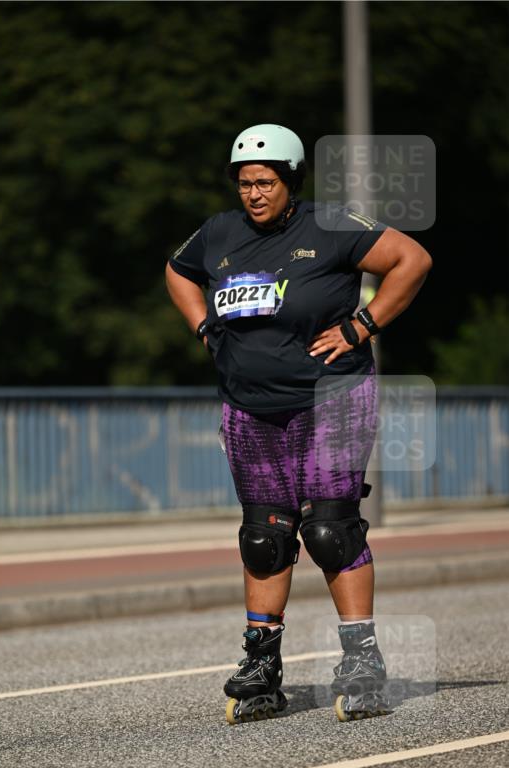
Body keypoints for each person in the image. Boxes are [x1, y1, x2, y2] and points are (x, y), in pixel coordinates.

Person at [165, 123, 432, 724]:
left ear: (291, 180)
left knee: (330, 531)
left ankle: (362, 660)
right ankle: (263, 665)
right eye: (245, 183)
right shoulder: (219, 233)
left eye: (266, 182)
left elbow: (412, 259)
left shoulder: (331, 227)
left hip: (331, 401)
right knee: (265, 537)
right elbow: (178, 271)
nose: (254, 193)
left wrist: (363, 325)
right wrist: (204, 325)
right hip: (248, 405)